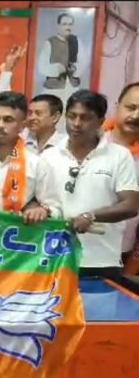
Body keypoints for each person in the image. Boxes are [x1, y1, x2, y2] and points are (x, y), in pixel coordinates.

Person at [41, 90, 139, 279]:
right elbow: (36, 199)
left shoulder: (119, 156)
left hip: (101, 262)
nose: (77, 124)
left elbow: (131, 205)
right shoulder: (48, 156)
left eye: (85, 118)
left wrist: (91, 216)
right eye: (72, 116)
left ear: (100, 121)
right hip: (54, 258)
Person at [0, 91, 61, 221]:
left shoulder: (36, 164)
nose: (0, 125)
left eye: (8, 120)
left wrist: (42, 211)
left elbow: (55, 209)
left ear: (22, 126)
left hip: (20, 232)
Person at [102, 82, 139, 274]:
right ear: (117, 107)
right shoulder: (91, 143)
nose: (136, 115)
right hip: (79, 245)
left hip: (124, 252)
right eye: (131, 107)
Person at [38, 13, 89, 107]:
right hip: (54, 89)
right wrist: (56, 68)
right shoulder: (50, 42)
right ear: (59, 26)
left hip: (72, 87)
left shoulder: (77, 41)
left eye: (70, 24)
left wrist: (75, 68)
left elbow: (83, 61)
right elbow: (42, 66)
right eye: (64, 24)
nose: (67, 27)